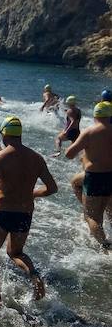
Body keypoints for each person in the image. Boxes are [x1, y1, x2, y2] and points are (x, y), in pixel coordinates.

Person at [0, 116, 57, 307]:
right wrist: (34, 193)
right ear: (19, 135)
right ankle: (34, 275)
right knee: (16, 253)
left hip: (3, 213)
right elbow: (53, 188)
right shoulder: (36, 158)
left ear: (4, 134)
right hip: (24, 214)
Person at [66, 101, 112, 247]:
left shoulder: (90, 132)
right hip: (110, 175)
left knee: (90, 216)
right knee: (75, 181)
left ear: (95, 115)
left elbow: (69, 154)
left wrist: (86, 153)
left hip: (95, 177)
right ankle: (97, 216)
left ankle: (105, 245)